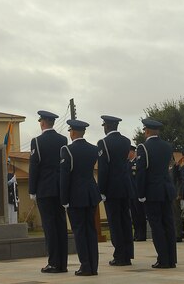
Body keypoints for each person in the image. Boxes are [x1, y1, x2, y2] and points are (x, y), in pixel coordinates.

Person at [29, 110, 68, 274]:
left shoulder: (37, 141)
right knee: (61, 225)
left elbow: (34, 167)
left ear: (43, 123)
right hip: (60, 188)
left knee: (49, 226)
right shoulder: (63, 139)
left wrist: (32, 190)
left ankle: (53, 263)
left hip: (44, 189)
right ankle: (63, 263)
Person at [60, 119, 101, 277]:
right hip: (91, 194)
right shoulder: (93, 149)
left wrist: (64, 200)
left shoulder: (67, 150)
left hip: (75, 196)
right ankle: (93, 266)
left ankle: (85, 266)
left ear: (73, 132)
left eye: (70, 131)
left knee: (79, 231)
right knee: (91, 230)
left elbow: (65, 177)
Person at [136, 118, 177, 269]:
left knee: (157, 225)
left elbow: (141, 172)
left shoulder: (144, 147)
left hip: (152, 191)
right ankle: (172, 259)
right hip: (167, 190)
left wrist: (140, 194)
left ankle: (163, 259)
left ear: (146, 131)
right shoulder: (167, 146)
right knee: (168, 224)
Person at [97, 115, 134, 267]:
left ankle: (119, 255)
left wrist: (102, 190)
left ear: (107, 126)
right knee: (126, 221)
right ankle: (127, 254)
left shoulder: (103, 143)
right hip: (125, 187)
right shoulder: (126, 141)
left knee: (115, 222)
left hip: (111, 188)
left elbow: (103, 168)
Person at [128, 146, 147, 241]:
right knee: (134, 216)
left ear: (132, 152)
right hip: (130, 194)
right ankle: (136, 233)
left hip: (137, 193)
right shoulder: (127, 164)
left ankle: (142, 234)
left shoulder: (137, 162)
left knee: (140, 214)